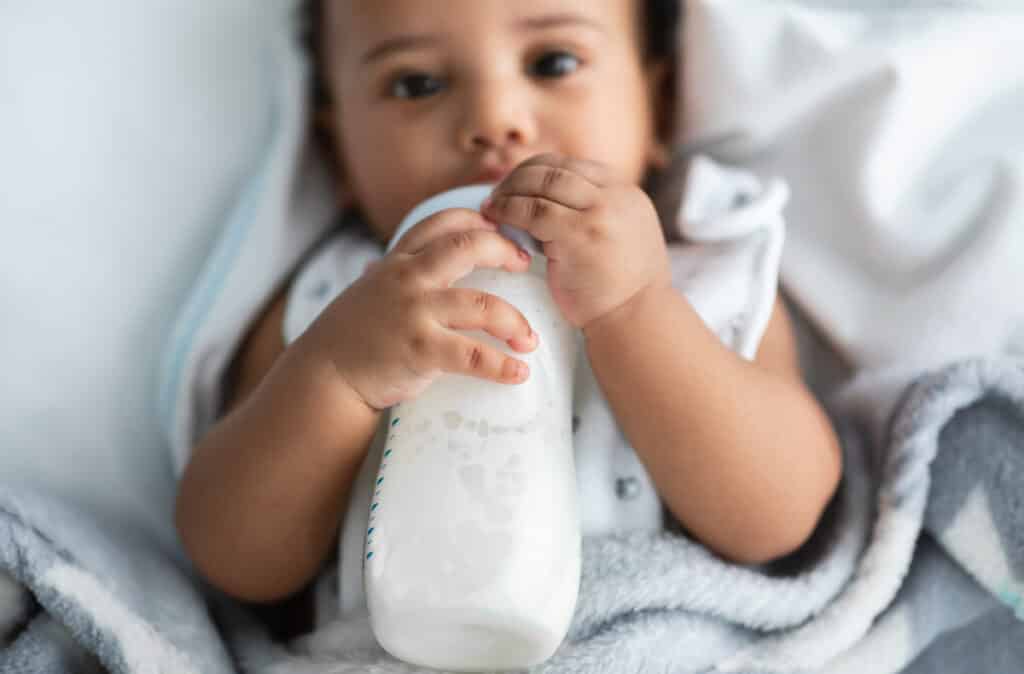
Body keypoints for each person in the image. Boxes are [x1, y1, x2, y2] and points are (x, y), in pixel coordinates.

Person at [174, 0, 843, 636]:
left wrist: (639, 310)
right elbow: (231, 555)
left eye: (552, 63)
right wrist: (336, 378)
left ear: (660, 109)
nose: (495, 120)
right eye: (416, 83)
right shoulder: (338, 301)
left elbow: (780, 516)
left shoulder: (705, 276)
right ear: (336, 149)